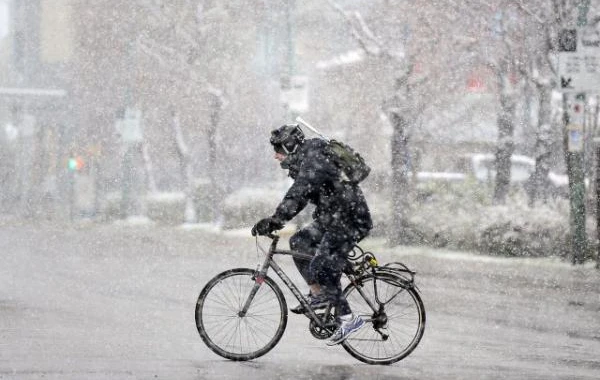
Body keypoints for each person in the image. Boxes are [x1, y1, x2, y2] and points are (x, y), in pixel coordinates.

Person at [251, 123, 373, 345]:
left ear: (290, 146)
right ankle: (319, 295)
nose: (276, 156)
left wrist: (276, 220)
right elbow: (303, 195)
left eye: (278, 150)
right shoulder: (307, 160)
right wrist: (278, 219)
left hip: (349, 220)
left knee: (321, 266)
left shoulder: (315, 159)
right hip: (333, 218)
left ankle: (348, 318)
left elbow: (298, 193)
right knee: (299, 241)